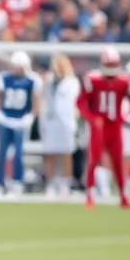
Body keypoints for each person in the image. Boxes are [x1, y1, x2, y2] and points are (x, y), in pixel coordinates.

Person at [80, 47, 130, 209]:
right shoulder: (93, 79)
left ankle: (123, 196)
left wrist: (126, 116)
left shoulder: (124, 80)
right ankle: (89, 195)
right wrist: (92, 118)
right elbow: (81, 102)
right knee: (94, 160)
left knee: (118, 162)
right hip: (100, 126)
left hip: (115, 126)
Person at [0, 51, 41, 198]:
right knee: (1, 153)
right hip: (5, 118)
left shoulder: (32, 79)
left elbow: (37, 100)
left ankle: (17, 183)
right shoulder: (3, 77)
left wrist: (31, 115)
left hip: (21, 120)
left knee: (18, 155)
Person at [41, 54, 79, 198]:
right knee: (50, 153)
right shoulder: (49, 81)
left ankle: (65, 185)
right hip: (51, 121)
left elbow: (74, 102)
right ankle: (50, 184)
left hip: (66, 122)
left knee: (66, 154)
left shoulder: (72, 82)